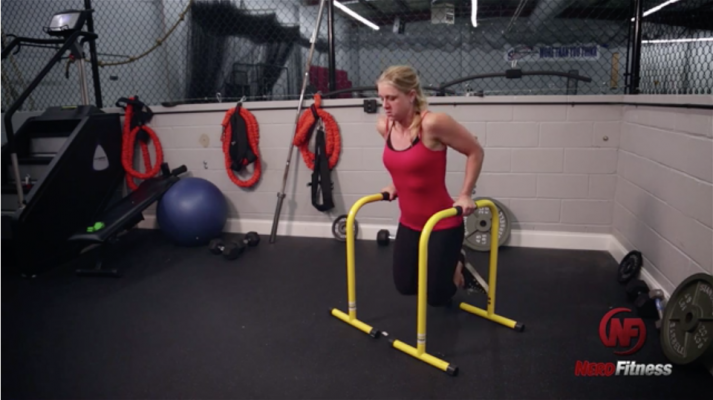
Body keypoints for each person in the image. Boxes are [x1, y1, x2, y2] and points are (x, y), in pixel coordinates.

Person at [376, 65, 485, 307]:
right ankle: (452, 263)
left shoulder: (433, 124)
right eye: (382, 98)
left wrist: (465, 194)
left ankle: (458, 263)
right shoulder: (385, 126)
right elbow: (405, 163)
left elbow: (475, 150)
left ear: (411, 95)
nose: (385, 104)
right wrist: (395, 184)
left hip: (442, 222)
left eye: (392, 98)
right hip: (409, 222)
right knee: (405, 287)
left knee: (437, 296)